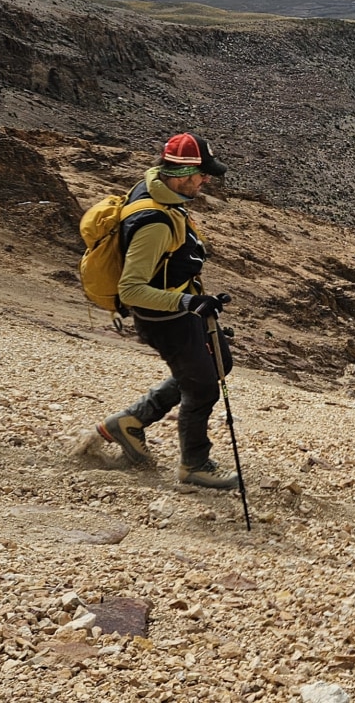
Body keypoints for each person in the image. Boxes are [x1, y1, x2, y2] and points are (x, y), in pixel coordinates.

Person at [96, 133, 241, 488]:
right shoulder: (155, 222)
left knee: (219, 363)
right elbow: (132, 289)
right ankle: (195, 465)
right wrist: (187, 302)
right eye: (202, 174)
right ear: (181, 173)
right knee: (203, 387)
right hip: (166, 318)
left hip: (181, 308)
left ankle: (130, 421)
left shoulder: (158, 190)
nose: (206, 180)